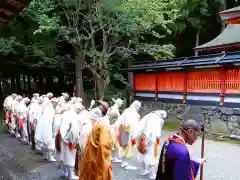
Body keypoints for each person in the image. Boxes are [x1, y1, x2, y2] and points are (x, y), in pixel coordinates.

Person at [136, 110, 167, 180]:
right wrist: (158, 142)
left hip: (142, 138)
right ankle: (152, 175)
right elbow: (157, 134)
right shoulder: (158, 119)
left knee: (141, 153)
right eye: (164, 118)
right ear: (162, 115)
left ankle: (143, 171)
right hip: (151, 140)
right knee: (152, 157)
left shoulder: (149, 115)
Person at [113, 100, 141, 170]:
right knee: (129, 149)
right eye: (139, 107)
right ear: (137, 106)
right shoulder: (133, 114)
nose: (139, 109)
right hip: (128, 132)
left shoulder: (127, 110)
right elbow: (131, 125)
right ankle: (127, 164)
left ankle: (123, 162)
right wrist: (133, 136)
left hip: (122, 130)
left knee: (124, 147)